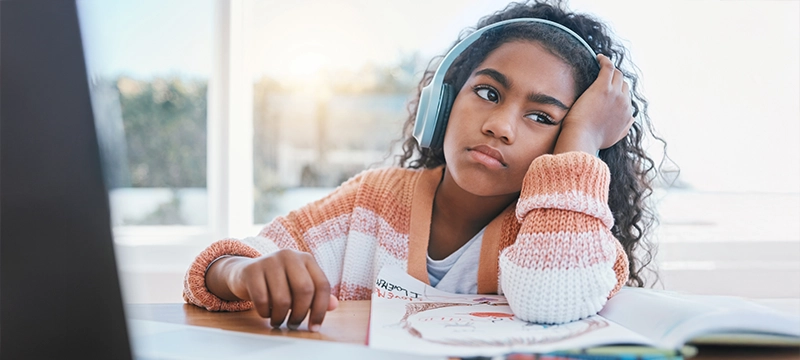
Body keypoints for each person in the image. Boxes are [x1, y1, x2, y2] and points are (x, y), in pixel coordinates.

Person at [183, 0, 665, 332]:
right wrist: (242, 273)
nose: (500, 126)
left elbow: (554, 299)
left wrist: (583, 141)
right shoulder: (370, 203)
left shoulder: (568, 233)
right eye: (487, 92)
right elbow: (212, 273)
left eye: (542, 117)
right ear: (444, 101)